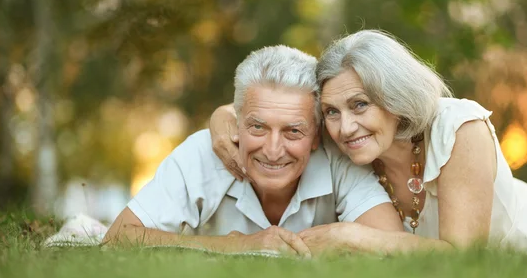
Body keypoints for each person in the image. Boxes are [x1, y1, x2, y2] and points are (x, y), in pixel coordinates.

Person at [211, 30, 527, 253]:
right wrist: (223, 116)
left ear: (395, 96)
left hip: (520, 237)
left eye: (360, 105)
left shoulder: (460, 128)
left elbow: (463, 257)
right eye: (331, 111)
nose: (345, 127)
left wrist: (351, 236)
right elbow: (275, 108)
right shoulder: (347, 141)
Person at [103, 44, 400, 256]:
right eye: (257, 127)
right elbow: (118, 238)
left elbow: (393, 245)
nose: (272, 150)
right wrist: (236, 245)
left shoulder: (338, 159)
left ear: (316, 136)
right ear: (236, 122)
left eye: (293, 131)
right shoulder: (200, 154)